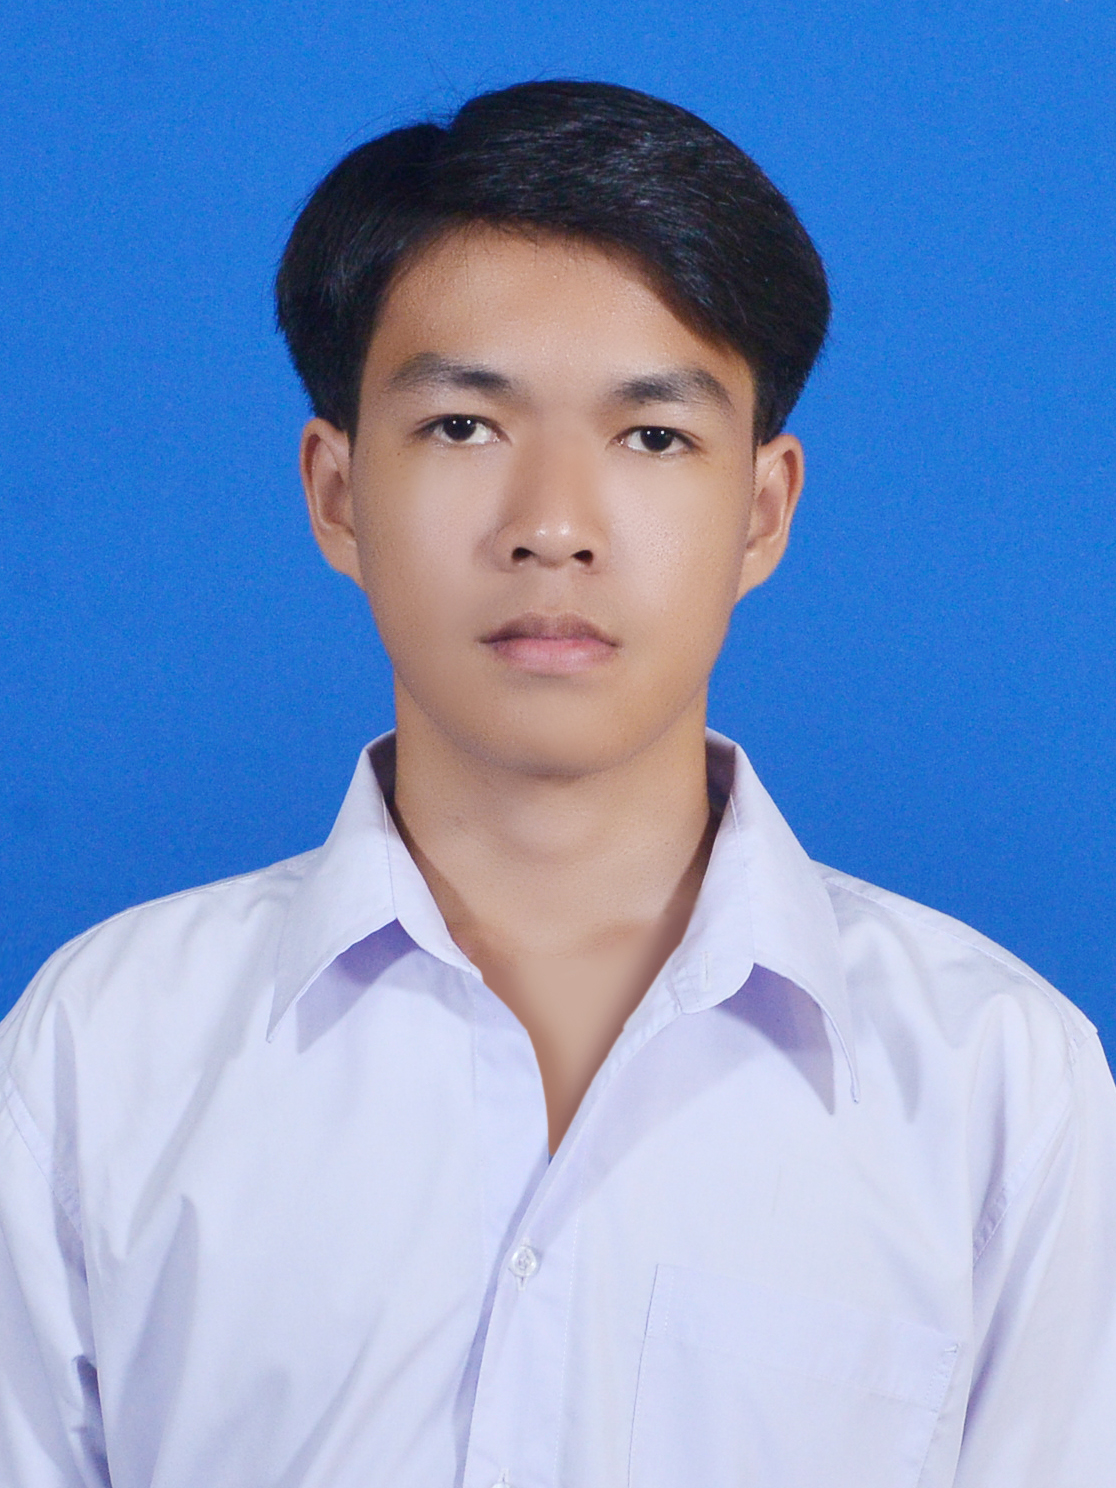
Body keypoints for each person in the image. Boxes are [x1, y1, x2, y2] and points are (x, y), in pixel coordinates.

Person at [1, 80, 1113, 1488]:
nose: (553, 528)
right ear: (336, 492)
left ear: (762, 510)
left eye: (652, 437)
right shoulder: (101, 1054)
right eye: (464, 426)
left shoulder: (998, 1083)